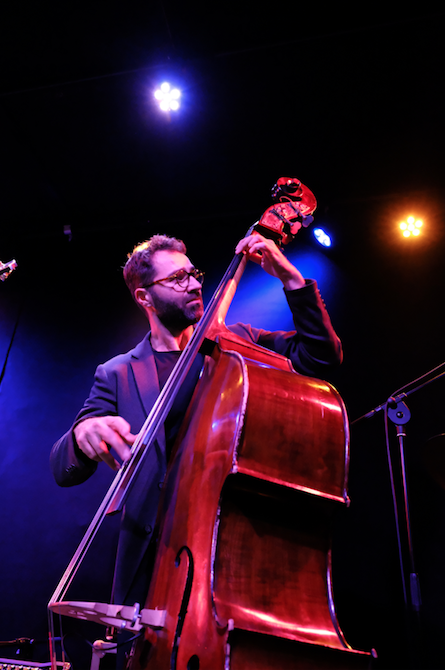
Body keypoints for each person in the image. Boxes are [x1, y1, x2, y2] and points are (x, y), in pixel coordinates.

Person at [50, 232, 342, 608]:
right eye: (177, 279)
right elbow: (63, 469)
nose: (193, 285)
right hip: (151, 554)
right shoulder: (117, 373)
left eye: (193, 274)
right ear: (144, 297)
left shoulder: (238, 344)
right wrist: (83, 433)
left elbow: (320, 360)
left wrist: (292, 281)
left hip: (232, 543)